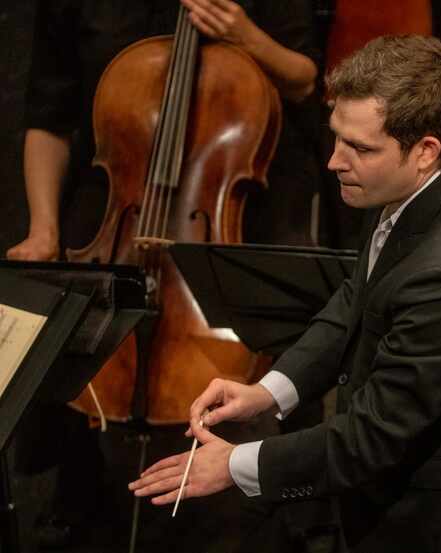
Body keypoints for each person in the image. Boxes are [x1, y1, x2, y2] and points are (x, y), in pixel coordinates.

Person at [129, 34, 441, 553]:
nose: (334, 162)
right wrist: (271, 391)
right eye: (337, 138)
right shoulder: (432, 169)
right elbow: (361, 290)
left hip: (438, 519)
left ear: (425, 150)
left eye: (360, 148)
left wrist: (236, 465)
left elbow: (374, 437)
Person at [6, 0, 320, 547]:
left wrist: (245, 35)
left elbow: (305, 79)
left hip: (231, 210)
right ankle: (81, 510)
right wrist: (43, 228)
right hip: (116, 210)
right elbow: (48, 116)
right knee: (65, 337)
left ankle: (268, 514)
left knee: (284, 333)